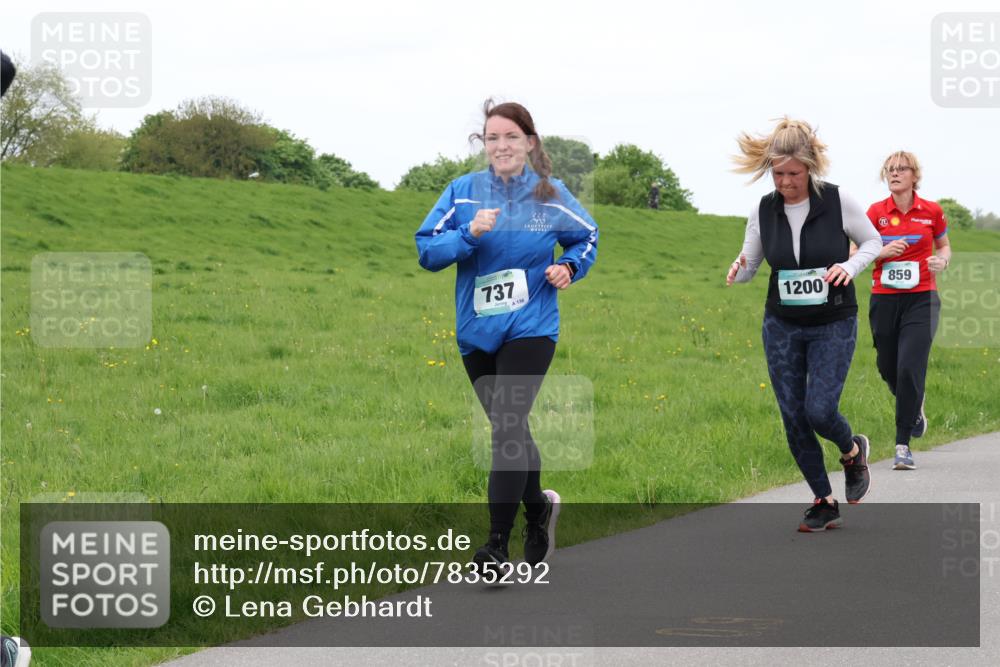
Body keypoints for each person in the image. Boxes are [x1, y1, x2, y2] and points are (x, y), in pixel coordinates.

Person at [415, 100, 598, 573]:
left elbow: (587, 237)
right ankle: (537, 507)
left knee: (506, 427)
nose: (502, 146)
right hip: (477, 334)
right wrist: (468, 235)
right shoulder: (461, 193)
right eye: (492, 138)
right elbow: (427, 250)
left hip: (532, 327)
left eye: (511, 137)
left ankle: (495, 544)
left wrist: (569, 266)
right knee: (511, 429)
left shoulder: (550, 195)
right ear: (483, 144)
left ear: (529, 143)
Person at [726, 117, 882, 532]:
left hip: (833, 320)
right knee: (793, 414)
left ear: (810, 167)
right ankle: (823, 499)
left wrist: (850, 266)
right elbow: (751, 263)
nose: (785, 182)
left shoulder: (837, 201)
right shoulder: (763, 209)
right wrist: (738, 269)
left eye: (793, 173)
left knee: (819, 409)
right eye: (777, 174)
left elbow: (872, 242)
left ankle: (851, 452)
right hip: (781, 323)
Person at [865, 151, 949, 470]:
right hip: (884, 298)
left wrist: (943, 260)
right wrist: (882, 252)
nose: (894, 173)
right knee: (888, 366)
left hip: (922, 298)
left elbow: (944, 246)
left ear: (915, 175)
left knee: (909, 368)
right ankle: (914, 404)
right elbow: (855, 251)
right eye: (890, 169)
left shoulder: (932, 211)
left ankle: (902, 444)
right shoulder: (875, 213)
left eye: (902, 169)